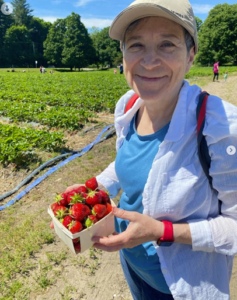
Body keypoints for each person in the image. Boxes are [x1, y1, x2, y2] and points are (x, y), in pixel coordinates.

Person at [60, 0, 237, 299]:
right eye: (136, 45)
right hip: (132, 265)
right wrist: (96, 185)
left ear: (191, 54)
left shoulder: (220, 127)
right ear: (123, 55)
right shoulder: (129, 105)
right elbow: (126, 162)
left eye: (167, 44)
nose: (149, 60)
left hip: (181, 285)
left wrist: (161, 231)